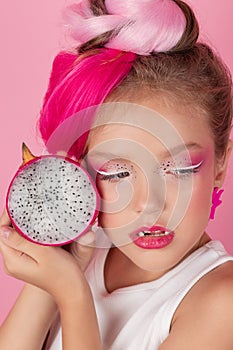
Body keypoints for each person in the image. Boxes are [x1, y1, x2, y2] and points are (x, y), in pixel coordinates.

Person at [0, 0, 233, 349]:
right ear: (79, 173)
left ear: (220, 165)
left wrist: (72, 294)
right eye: (117, 172)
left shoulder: (221, 303)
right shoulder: (90, 254)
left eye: (179, 169)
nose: (150, 205)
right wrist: (52, 256)